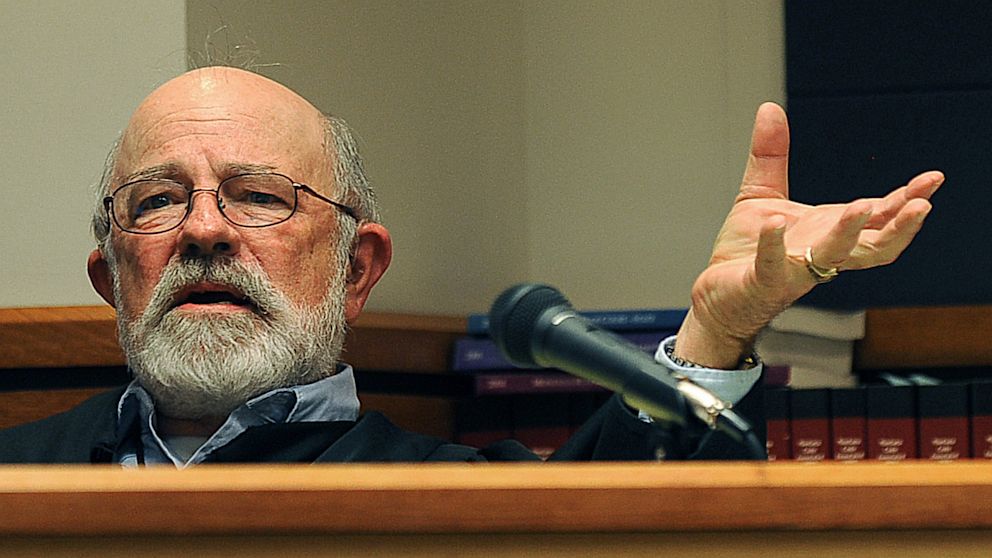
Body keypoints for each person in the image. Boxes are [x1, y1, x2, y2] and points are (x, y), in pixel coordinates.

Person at [0, 67, 943, 465]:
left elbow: (613, 523)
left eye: (258, 195)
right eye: (158, 201)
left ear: (357, 269)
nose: (204, 230)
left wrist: (721, 328)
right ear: (110, 278)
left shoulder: (453, 502)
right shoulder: (17, 480)